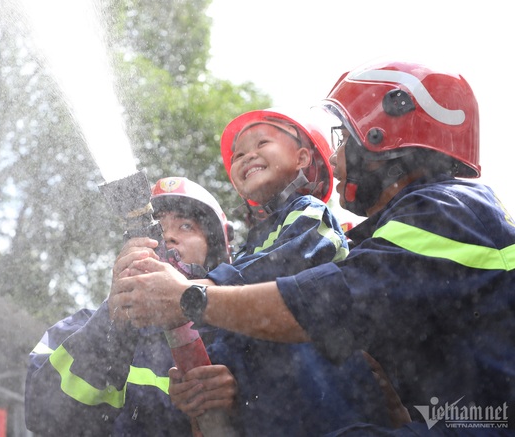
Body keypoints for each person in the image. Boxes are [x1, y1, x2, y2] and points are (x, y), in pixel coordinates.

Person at [112, 60, 515, 434]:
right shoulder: (388, 238)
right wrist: (223, 385)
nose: (335, 158)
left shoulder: (451, 208)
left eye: (343, 139)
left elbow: (327, 305)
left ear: (385, 129)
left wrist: (189, 297)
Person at [129, 109, 402, 435]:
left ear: (302, 158)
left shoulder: (310, 216)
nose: (248, 156)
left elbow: (281, 268)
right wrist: (202, 379)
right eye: (239, 154)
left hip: (334, 414)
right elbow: (234, 322)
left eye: (262, 143)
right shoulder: (248, 250)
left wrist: (197, 289)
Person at [24, 176, 234, 436]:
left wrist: (235, 407)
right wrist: (112, 322)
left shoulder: (234, 339)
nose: (167, 235)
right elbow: (43, 416)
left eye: (186, 225)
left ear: (214, 253)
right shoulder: (76, 330)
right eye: (158, 225)